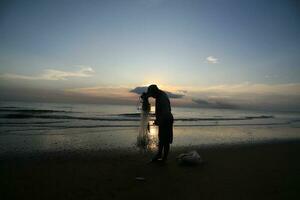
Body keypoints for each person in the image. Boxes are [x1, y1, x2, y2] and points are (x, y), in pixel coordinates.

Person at [145, 84, 174, 162]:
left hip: (167, 119)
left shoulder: (162, 98)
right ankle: (159, 155)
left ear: (154, 91)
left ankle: (164, 159)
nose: (152, 96)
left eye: (152, 94)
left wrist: (159, 121)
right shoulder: (159, 95)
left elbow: (165, 112)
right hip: (164, 119)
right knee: (161, 139)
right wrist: (146, 96)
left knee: (166, 140)